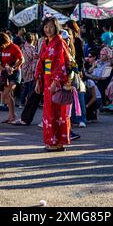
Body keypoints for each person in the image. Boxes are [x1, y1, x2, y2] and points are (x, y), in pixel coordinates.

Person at [35, 17, 71, 152]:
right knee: (49, 112)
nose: (48, 29)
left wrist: (56, 81)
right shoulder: (45, 43)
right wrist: (38, 79)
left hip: (57, 81)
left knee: (57, 113)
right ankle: (52, 141)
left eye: (50, 26)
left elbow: (61, 63)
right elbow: (41, 62)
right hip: (47, 79)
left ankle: (57, 142)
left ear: (56, 27)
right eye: (46, 26)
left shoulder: (59, 42)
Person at [0, 32, 24, 124]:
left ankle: (12, 116)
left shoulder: (14, 47)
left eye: (3, 44)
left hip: (15, 72)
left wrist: (14, 67)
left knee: (8, 91)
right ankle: (11, 116)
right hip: (5, 72)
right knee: (8, 94)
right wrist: (2, 68)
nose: (2, 46)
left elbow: (22, 59)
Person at [20, 33, 37, 107]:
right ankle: (28, 102)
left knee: (25, 85)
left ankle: (22, 102)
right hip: (31, 68)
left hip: (24, 67)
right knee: (30, 86)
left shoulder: (23, 47)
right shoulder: (32, 48)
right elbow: (35, 58)